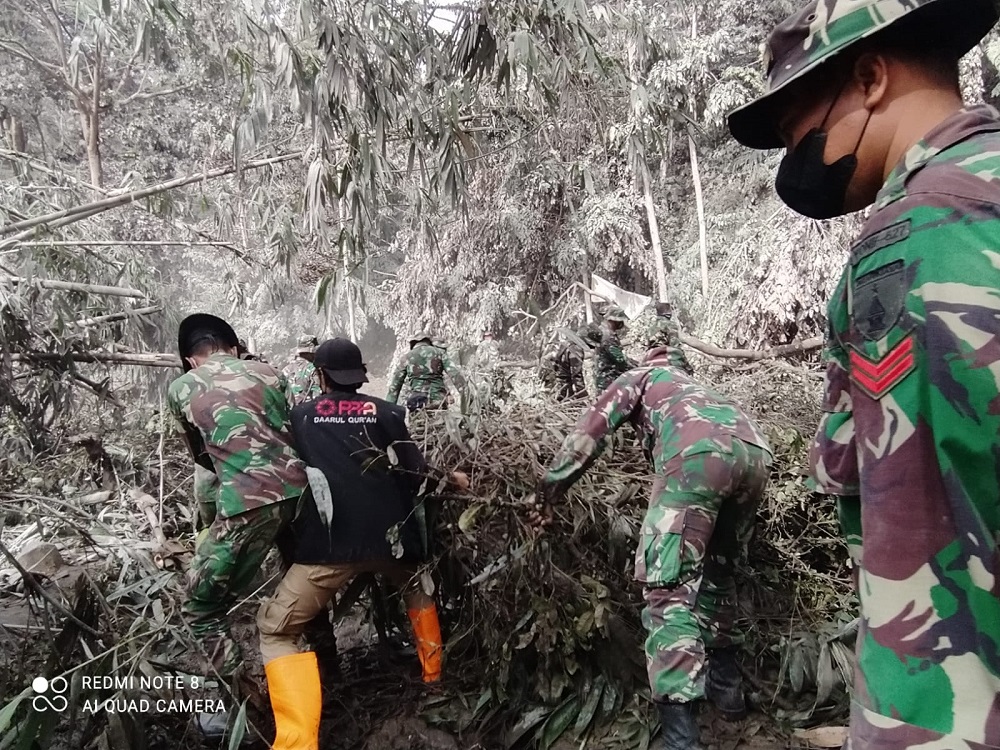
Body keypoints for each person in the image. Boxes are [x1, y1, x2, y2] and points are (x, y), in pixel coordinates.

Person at [728, 1, 1000, 748]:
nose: (795, 161)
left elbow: (923, 515)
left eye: (795, 133)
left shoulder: (916, 239)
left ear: (871, 76)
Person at [532, 327, 772, 750]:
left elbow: (590, 432)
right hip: (755, 453)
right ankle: (727, 692)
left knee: (668, 590)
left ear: (646, 362)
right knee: (720, 573)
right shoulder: (697, 388)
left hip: (698, 457)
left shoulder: (638, 379)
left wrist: (548, 489)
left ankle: (681, 737)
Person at [257, 338, 469, 750]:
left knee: (276, 630)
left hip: (330, 546)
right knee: (418, 592)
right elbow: (415, 472)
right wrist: (452, 479)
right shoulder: (389, 412)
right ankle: (433, 683)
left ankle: (297, 743)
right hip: (395, 541)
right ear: (359, 377)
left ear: (320, 375)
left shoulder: (300, 417)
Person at [167, 314, 307, 675]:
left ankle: (238, 709)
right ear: (233, 348)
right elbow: (296, 430)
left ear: (190, 359)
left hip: (247, 501)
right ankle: (329, 667)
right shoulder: (271, 373)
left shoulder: (182, 387)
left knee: (200, 607)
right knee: (299, 578)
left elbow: (201, 456)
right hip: (302, 493)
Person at [387, 331, 467, 412]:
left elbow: (394, 387)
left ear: (413, 344)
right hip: (439, 402)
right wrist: (468, 399)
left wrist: (387, 411)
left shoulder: (406, 358)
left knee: (417, 423)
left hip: (417, 404)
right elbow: (455, 375)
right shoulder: (440, 353)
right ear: (428, 341)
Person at [594, 306, 635, 393]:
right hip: (609, 381)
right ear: (614, 320)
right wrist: (637, 366)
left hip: (607, 379)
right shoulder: (608, 336)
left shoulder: (604, 331)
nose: (621, 324)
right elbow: (619, 359)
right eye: (620, 321)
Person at [649, 303, 693, 376]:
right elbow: (675, 347)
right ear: (668, 313)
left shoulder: (651, 328)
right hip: (666, 360)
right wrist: (687, 366)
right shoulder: (670, 325)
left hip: (651, 360)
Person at [283, 334, 321, 406]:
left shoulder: (286, 370)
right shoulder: (313, 369)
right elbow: (317, 396)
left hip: (289, 414)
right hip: (306, 412)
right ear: (311, 347)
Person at [552, 327, 587, 400]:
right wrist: (584, 397)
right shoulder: (576, 348)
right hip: (564, 389)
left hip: (557, 386)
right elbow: (577, 376)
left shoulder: (565, 344)